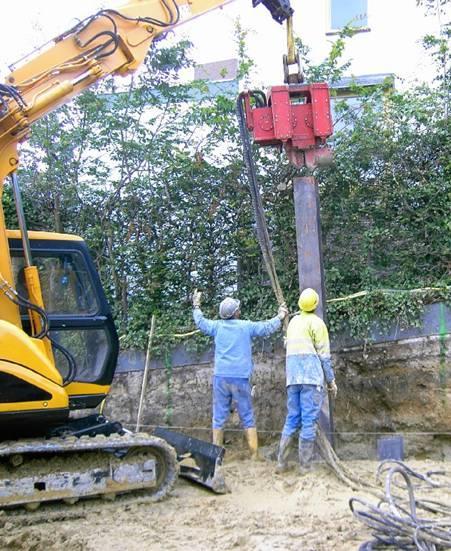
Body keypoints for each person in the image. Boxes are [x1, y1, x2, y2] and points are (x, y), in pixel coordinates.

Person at [192, 290, 288, 460]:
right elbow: (266, 327)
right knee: (247, 414)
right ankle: (254, 455)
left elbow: (200, 321)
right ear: (235, 313)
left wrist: (196, 306)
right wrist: (280, 316)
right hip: (240, 378)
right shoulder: (245, 326)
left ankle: (216, 457)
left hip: (221, 377)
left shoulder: (216, 326)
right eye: (238, 309)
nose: (239, 310)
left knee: (219, 416)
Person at [275, 288, 337, 474]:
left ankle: (281, 463)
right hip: (311, 378)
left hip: (293, 379)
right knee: (308, 421)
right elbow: (324, 357)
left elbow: (289, 345)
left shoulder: (293, 323)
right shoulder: (317, 324)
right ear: (315, 304)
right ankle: (305, 466)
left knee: (292, 419)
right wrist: (331, 381)